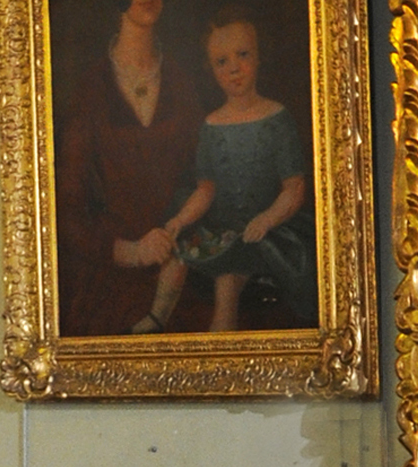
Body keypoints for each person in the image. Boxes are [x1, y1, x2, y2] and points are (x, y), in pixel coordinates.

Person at [140, 4, 314, 333]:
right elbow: (206, 190)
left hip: (267, 234)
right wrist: (180, 220)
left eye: (243, 55)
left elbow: (294, 188)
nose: (234, 68)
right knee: (175, 255)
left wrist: (266, 219)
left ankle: (221, 360)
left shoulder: (277, 118)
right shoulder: (211, 124)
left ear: (259, 57)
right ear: (211, 70)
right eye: (223, 62)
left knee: (227, 281)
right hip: (222, 232)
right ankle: (155, 320)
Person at [55, 0, 206, 336]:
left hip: (179, 272)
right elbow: (66, 213)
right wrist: (133, 252)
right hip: (108, 277)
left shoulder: (181, 84)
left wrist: (176, 237)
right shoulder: (90, 88)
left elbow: (206, 180)